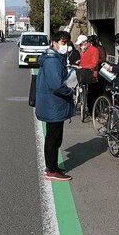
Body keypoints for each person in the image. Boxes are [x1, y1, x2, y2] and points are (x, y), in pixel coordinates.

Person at [36, 31, 76, 181]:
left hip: (52, 104)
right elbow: (56, 85)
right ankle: (52, 171)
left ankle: (51, 167)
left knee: (53, 138)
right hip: (53, 104)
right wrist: (70, 91)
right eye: (62, 42)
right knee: (53, 139)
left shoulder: (52, 57)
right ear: (53, 42)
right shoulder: (52, 60)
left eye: (66, 43)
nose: (64, 46)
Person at [75, 34, 99, 113]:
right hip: (83, 73)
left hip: (91, 74)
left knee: (91, 94)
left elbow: (94, 63)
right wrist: (79, 62)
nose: (80, 46)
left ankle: (92, 111)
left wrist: (83, 66)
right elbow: (83, 60)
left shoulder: (94, 50)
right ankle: (83, 105)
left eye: (80, 44)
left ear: (85, 42)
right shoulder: (83, 50)